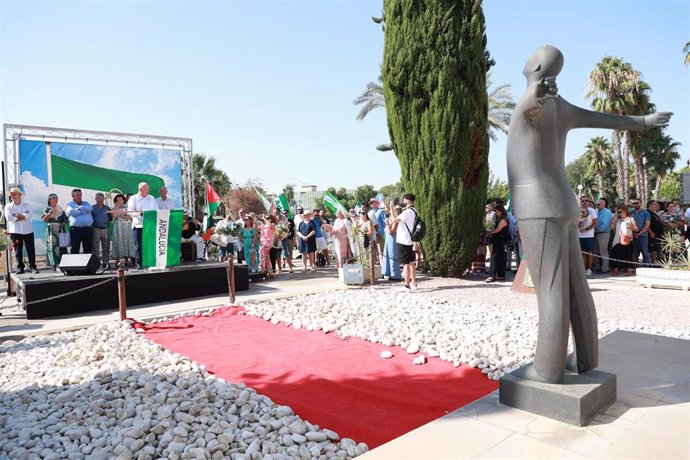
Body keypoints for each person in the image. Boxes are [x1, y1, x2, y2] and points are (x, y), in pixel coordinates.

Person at [506, 44, 672, 384]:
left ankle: (547, 369)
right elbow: (605, 119)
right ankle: (584, 360)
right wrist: (641, 122)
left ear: (536, 64)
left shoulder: (535, 102)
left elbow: (528, 108)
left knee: (551, 289)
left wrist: (536, 96)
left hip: (539, 207)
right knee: (576, 287)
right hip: (564, 203)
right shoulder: (562, 107)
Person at [5, 187, 38, 274]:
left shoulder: (27, 205)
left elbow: (30, 215)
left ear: (20, 195)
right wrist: (22, 217)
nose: (13, 195)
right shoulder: (8, 206)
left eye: (15, 193)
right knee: (18, 250)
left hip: (28, 231)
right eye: (12, 194)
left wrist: (17, 215)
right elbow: (9, 218)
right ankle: (20, 268)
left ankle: (33, 267)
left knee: (31, 249)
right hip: (15, 231)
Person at [127, 182, 159, 268]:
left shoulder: (151, 198)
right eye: (147, 189)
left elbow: (156, 209)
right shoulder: (133, 198)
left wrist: (151, 214)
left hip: (149, 225)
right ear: (141, 189)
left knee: (149, 243)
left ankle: (150, 262)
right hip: (138, 225)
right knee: (139, 245)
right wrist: (138, 213)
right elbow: (130, 211)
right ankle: (139, 263)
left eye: (148, 188)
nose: (148, 190)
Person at [391, 193, 418, 290]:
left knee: (405, 263)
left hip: (403, 240)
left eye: (404, 200)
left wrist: (391, 208)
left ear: (407, 200)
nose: (403, 201)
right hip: (409, 239)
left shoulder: (407, 212)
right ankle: (414, 283)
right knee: (411, 262)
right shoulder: (413, 210)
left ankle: (407, 285)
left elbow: (394, 220)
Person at [42, 193, 67, 271]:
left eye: (56, 198)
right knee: (52, 246)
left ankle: (62, 264)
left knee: (62, 246)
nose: (56, 199)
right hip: (51, 230)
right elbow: (44, 220)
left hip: (60, 229)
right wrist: (49, 214)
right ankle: (54, 265)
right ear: (50, 200)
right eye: (54, 198)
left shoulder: (60, 210)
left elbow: (65, 219)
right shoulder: (46, 209)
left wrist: (63, 223)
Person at [610, 205, 637, 276]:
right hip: (617, 240)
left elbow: (636, 229)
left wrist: (631, 227)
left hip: (627, 239)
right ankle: (616, 269)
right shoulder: (618, 220)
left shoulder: (630, 219)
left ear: (625, 211)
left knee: (628, 255)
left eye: (620, 212)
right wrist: (615, 217)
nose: (619, 213)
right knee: (616, 255)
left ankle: (629, 270)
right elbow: (612, 228)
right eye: (618, 212)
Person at [110, 194, 136, 268]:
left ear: (124, 200)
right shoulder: (114, 208)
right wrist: (117, 207)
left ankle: (127, 260)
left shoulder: (128, 207)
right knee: (118, 242)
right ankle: (118, 261)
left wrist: (121, 215)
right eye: (118, 200)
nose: (120, 201)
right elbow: (114, 216)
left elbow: (131, 218)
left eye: (121, 200)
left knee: (127, 242)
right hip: (119, 228)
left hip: (127, 228)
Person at [65, 188, 93, 254]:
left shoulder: (86, 203)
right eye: (77, 195)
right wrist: (83, 211)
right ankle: (74, 264)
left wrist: (81, 208)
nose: (79, 196)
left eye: (80, 195)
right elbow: (71, 212)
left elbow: (90, 208)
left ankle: (87, 264)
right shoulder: (70, 204)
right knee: (75, 248)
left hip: (87, 229)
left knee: (88, 248)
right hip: (76, 230)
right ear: (73, 196)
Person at [486, 204, 509, 282]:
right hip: (499, 240)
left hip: (500, 241)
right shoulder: (500, 219)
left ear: (501, 211)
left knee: (495, 257)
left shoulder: (503, 220)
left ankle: (492, 276)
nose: (496, 213)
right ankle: (500, 275)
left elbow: (497, 230)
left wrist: (490, 232)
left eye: (497, 211)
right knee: (500, 258)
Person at [577, 195, 598, 277]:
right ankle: (583, 269)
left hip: (589, 235)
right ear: (580, 202)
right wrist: (579, 224)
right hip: (579, 235)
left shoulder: (592, 211)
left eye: (586, 201)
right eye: (583, 201)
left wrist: (586, 229)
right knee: (582, 253)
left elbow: (595, 223)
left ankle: (589, 269)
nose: (585, 202)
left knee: (589, 252)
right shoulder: (577, 210)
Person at [91, 192, 112, 269]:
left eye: (101, 198)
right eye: (98, 198)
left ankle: (105, 263)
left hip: (105, 229)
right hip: (95, 229)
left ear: (103, 199)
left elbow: (110, 218)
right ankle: (96, 263)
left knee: (106, 247)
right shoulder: (92, 208)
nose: (100, 200)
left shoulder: (107, 208)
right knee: (95, 247)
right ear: (95, 199)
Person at [382, 202, 402, 280]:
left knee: (393, 256)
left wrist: (387, 225)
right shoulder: (391, 219)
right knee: (388, 256)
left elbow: (391, 231)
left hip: (393, 240)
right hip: (388, 240)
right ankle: (390, 273)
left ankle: (395, 275)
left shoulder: (397, 221)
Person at [593, 198, 612, 273]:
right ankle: (597, 267)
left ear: (603, 204)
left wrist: (597, 230)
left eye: (598, 204)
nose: (597, 206)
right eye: (596, 204)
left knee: (603, 251)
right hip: (596, 233)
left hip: (603, 234)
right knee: (596, 251)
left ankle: (605, 268)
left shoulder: (607, 212)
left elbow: (605, 224)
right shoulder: (597, 212)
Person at [630, 198, 651, 268]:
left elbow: (647, 225)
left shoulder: (646, 213)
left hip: (643, 235)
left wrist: (639, 233)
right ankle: (635, 268)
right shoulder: (630, 213)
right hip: (632, 236)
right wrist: (634, 233)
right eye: (634, 203)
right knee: (634, 253)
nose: (635, 205)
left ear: (640, 203)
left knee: (645, 252)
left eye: (637, 203)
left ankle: (646, 268)